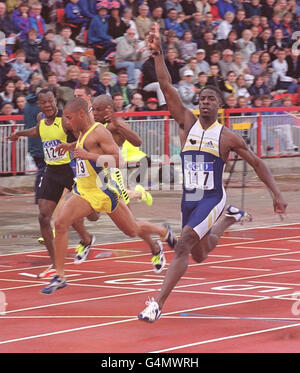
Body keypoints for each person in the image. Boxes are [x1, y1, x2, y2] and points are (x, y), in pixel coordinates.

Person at [137, 23, 288, 323]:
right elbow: (166, 85)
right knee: (200, 254)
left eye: (211, 99)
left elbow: (257, 163)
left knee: (183, 245)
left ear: (220, 105)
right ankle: (229, 218)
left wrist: (277, 194)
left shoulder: (228, 137)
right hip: (190, 198)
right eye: (202, 98)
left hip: (211, 197)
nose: (205, 102)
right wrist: (157, 53)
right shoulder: (186, 123)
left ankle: (157, 304)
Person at [40, 97, 177, 294]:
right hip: (85, 191)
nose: (67, 122)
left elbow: (117, 160)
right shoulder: (81, 131)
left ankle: (162, 231)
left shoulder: (99, 131)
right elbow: (86, 147)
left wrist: (89, 156)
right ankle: (60, 276)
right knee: (61, 223)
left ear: (80, 114)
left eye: (69, 118)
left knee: (132, 230)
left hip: (104, 191)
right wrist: (70, 147)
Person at [7, 89, 95, 278]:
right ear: (39, 104)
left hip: (70, 169)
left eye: (50, 101)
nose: (47, 105)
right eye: (44, 102)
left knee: (93, 215)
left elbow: (84, 136)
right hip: (52, 171)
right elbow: (38, 131)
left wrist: (70, 147)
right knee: (44, 217)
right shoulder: (41, 118)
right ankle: (56, 264)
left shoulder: (65, 120)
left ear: (55, 101)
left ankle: (87, 239)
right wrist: (20, 133)